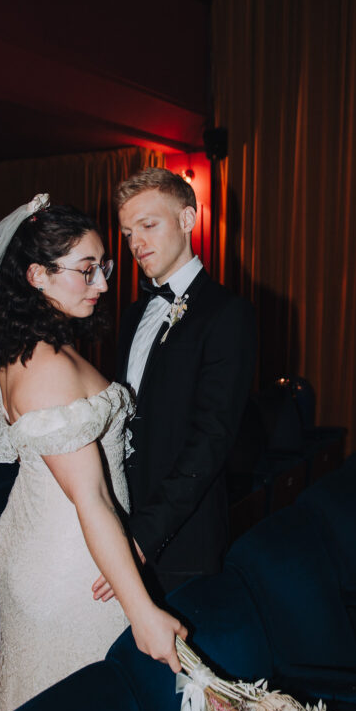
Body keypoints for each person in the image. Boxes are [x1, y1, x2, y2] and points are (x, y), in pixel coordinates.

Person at [0, 194, 186, 711]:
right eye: (87, 270)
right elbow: (90, 498)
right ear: (36, 276)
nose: (104, 284)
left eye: (103, 267)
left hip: (62, 540)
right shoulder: (45, 366)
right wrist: (144, 612)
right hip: (67, 560)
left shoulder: (44, 344)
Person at [92, 168, 257, 601]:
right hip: (121, 519)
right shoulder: (131, 315)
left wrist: (144, 536)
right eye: (128, 233)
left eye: (148, 225)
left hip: (183, 538)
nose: (136, 244)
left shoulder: (228, 313)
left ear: (187, 219)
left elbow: (212, 440)